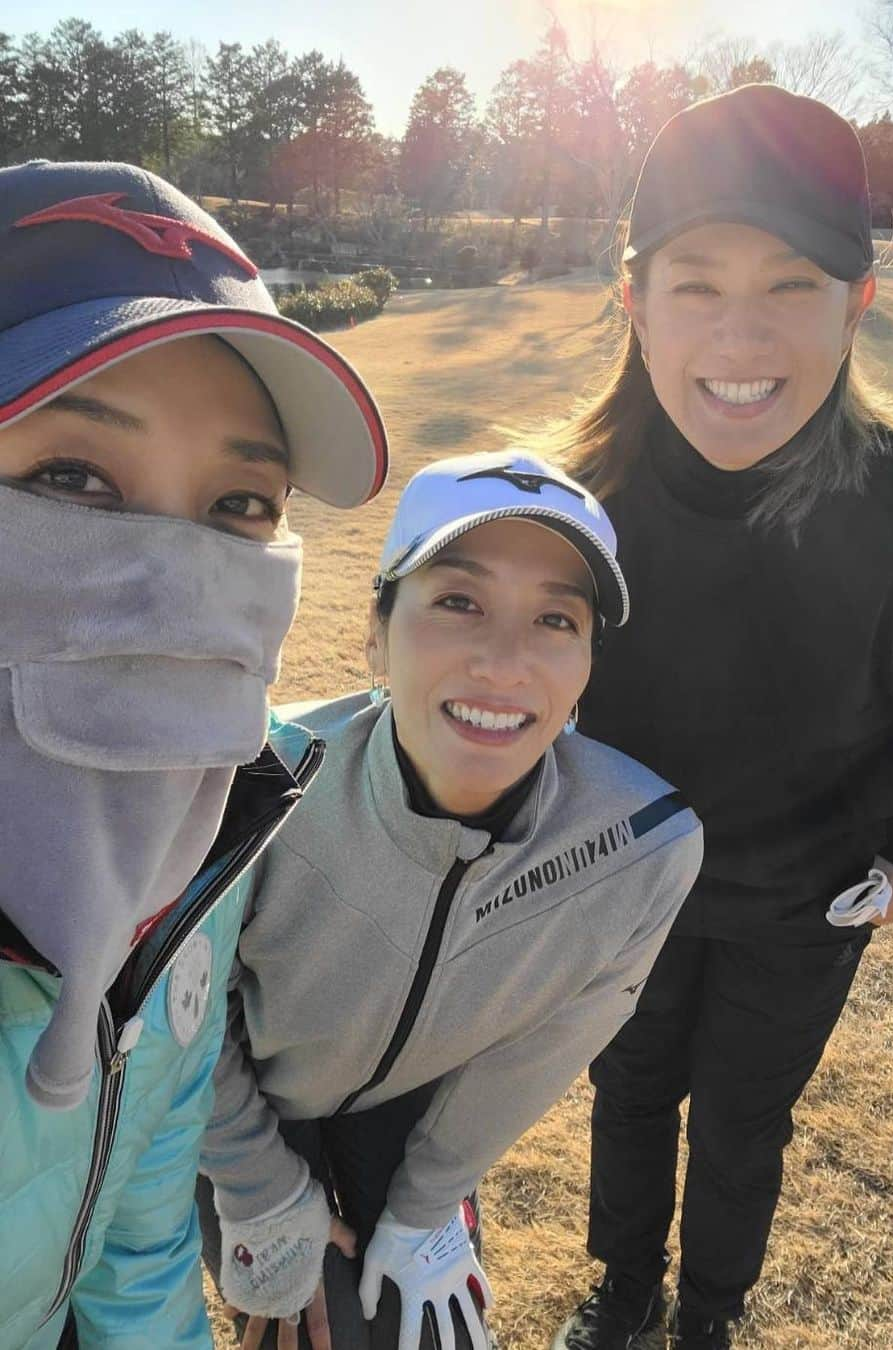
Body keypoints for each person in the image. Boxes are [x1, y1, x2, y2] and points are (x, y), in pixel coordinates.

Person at [544, 85, 893, 1350]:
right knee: (627, 1090)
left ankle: (710, 1315)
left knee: (741, 1121)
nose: (741, 332)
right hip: (620, 886)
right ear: (635, 300)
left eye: (791, 285)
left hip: (807, 899)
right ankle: (623, 1291)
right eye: (697, 281)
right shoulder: (567, 504)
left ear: (857, 306)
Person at [0, 158, 387, 1349]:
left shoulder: (215, 820)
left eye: (239, 507)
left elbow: (140, 1230)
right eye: (72, 476)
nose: (179, 572)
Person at [196, 450, 705, 1350]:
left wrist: (424, 1205)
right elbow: (183, 1011)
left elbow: (541, 1050)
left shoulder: (645, 846)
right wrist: (257, 1186)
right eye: (459, 602)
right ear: (378, 632)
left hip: (412, 1106)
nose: (505, 663)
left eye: (555, 618)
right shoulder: (257, 781)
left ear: (588, 662)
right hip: (238, 1102)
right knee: (312, 1330)